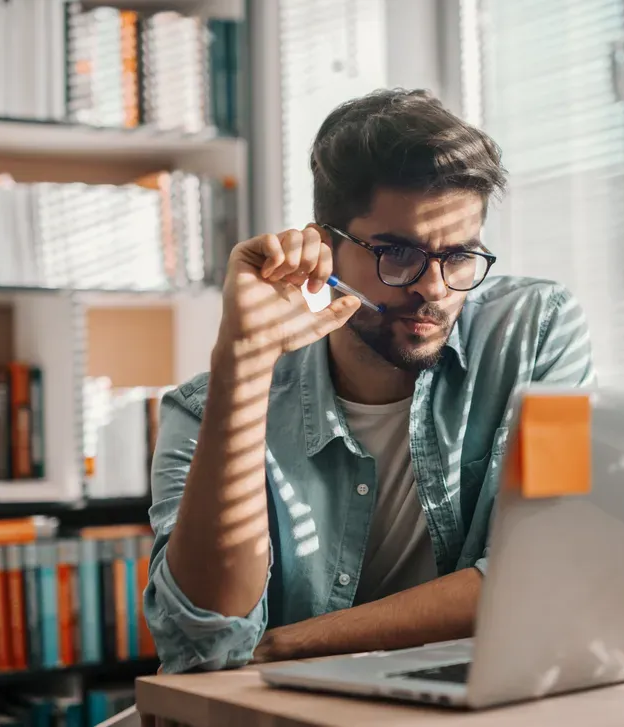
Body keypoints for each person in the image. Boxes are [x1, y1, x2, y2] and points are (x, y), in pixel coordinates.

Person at [143, 88, 596, 673]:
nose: (433, 288)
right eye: (397, 253)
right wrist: (243, 364)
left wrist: (285, 644)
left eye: (460, 255)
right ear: (325, 249)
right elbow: (202, 643)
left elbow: (543, 574)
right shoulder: (203, 412)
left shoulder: (534, 332)